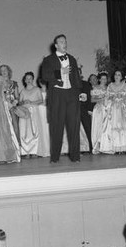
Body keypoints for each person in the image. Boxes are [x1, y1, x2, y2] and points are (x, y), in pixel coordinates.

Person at [41, 34, 82, 163]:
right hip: (57, 94)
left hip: (71, 95)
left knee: (74, 126)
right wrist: (60, 72)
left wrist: (80, 92)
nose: (64, 44)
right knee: (56, 126)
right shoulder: (48, 60)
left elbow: (76, 77)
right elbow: (45, 76)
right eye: (61, 42)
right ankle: (55, 158)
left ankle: (75, 157)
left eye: (65, 41)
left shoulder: (72, 59)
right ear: (56, 45)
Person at [102, 70, 126, 154]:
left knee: (123, 128)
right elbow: (106, 97)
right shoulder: (110, 85)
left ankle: (124, 147)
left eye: (119, 75)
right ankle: (115, 148)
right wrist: (109, 102)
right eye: (116, 74)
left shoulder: (125, 85)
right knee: (114, 127)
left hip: (122, 109)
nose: (117, 76)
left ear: (121, 77)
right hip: (113, 109)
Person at [18, 72, 44, 158]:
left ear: (32, 79)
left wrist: (31, 102)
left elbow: (41, 100)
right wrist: (23, 102)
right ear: (24, 80)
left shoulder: (37, 89)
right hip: (24, 113)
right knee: (24, 131)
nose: (28, 80)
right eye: (27, 78)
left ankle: (34, 150)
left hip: (34, 112)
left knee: (34, 130)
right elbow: (19, 102)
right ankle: (25, 152)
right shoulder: (23, 91)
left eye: (30, 78)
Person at [0, 64, 21, 147]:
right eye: (1, 70)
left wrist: (15, 101)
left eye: (5, 70)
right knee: (5, 127)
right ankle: (7, 147)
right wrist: (6, 103)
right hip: (3, 106)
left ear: (8, 71)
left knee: (15, 124)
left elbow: (17, 96)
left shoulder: (14, 83)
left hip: (13, 106)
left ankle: (17, 145)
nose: (3, 72)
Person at [91, 72, 109, 154]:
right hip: (99, 109)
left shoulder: (109, 88)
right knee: (98, 127)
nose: (104, 80)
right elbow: (92, 100)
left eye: (105, 79)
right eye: (102, 79)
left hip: (107, 109)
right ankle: (97, 146)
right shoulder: (96, 88)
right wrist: (100, 100)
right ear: (99, 79)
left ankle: (106, 146)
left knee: (106, 127)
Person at [79, 70, 95, 153]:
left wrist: (89, 109)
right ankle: (76, 149)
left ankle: (92, 147)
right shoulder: (69, 84)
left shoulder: (86, 84)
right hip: (73, 110)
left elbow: (89, 98)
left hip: (84, 109)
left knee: (88, 129)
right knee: (74, 131)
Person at [36, 78, 51, 157]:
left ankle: (50, 149)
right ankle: (44, 150)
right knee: (42, 129)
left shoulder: (50, 90)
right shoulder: (37, 90)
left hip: (48, 110)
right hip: (40, 110)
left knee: (48, 129)